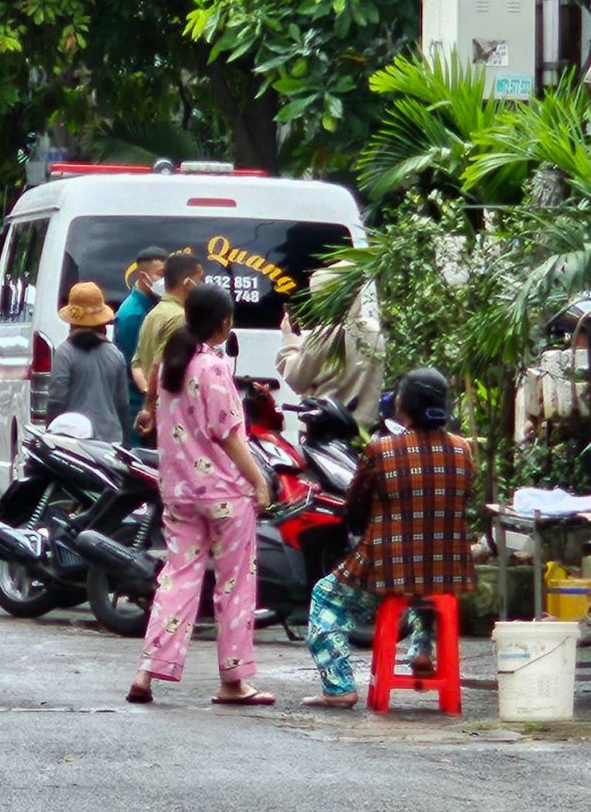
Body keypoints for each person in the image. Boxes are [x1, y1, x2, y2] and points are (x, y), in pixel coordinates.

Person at [126, 284, 276, 707]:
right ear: (224, 324)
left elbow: (154, 408)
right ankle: (234, 681)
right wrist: (258, 481)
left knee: (177, 578)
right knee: (234, 585)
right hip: (225, 494)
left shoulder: (171, 363)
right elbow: (228, 434)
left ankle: (147, 671)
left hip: (179, 491)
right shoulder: (212, 367)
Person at [302, 367, 475, 709]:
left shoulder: (381, 450)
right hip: (446, 570)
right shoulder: (463, 451)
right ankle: (422, 647)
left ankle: (338, 687)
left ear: (402, 405)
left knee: (325, 598)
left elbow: (354, 509)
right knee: (423, 587)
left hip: (385, 568)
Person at [276, 264, 386, 432]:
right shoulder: (374, 331)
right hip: (364, 431)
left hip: (325, 431)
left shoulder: (326, 334)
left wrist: (289, 338)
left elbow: (296, 379)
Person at [47, 282, 135, 443]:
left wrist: (49, 436)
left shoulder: (64, 353)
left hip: (71, 441)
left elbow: (57, 400)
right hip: (110, 441)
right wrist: (126, 444)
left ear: (72, 322)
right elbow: (123, 404)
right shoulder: (115, 355)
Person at [131, 250, 205, 435]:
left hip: (156, 413)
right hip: (169, 417)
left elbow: (137, 363)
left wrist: (147, 404)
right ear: (187, 283)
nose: (203, 285)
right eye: (201, 279)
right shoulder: (180, 318)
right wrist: (150, 408)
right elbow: (159, 367)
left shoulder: (154, 313)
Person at [113, 246, 167, 420]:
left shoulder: (154, 305)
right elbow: (138, 366)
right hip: (138, 407)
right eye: (161, 274)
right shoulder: (133, 315)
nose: (166, 281)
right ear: (143, 277)